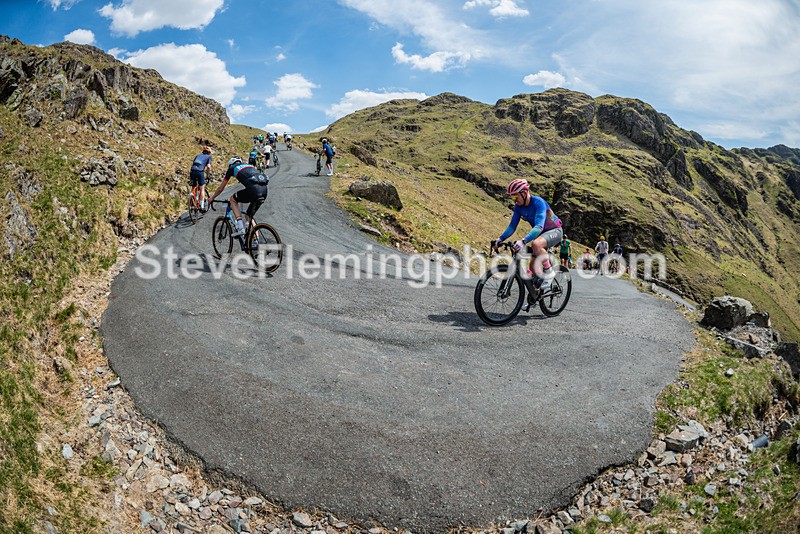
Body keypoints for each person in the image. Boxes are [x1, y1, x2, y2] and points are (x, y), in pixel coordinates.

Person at [492, 179, 563, 290]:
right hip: (541, 235)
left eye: (515, 196)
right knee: (532, 270)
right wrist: (500, 239)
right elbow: (512, 227)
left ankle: (549, 272)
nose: (514, 200)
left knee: (536, 244)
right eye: (512, 197)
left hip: (554, 231)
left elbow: (539, 226)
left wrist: (524, 241)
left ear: (524, 193)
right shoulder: (518, 207)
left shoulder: (538, 202)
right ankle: (534, 297)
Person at [206, 156, 269, 239]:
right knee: (248, 216)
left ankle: (240, 228)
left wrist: (212, 198)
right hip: (264, 190)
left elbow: (221, 188)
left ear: (231, 164)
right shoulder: (249, 165)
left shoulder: (232, 168)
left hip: (254, 189)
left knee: (233, 199)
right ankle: (256, 241)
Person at [189, 146, 212, 211]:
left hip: (192, 171)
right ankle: (202, 206)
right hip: (200, 172)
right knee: (202, 188)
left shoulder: (198, 155)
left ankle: (192, 199)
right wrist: (207, 175)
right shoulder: (209, 157)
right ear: (209, 152)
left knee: (194, 186)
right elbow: (208, 167)